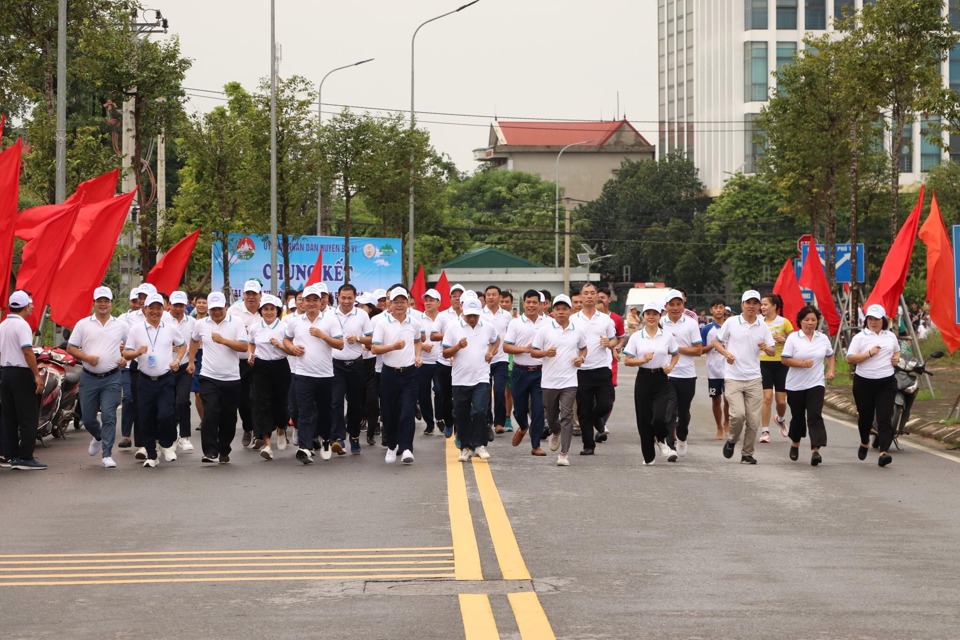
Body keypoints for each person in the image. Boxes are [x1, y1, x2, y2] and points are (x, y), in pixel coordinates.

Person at [123, 292, 187, 468]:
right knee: (145, 418)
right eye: (152, 308)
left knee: (166, 414)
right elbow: (126, 353)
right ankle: (152, 454)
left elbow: (183, 345)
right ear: (145, 309)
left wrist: (177, 360)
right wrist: (137, 353)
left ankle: (166, 444)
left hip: (165, 379)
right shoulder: (136, 329)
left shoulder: (169, 327)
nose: (155, 311)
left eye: (159, 308)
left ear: (163, 309)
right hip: (144, 380)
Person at [712, 290, 776, 465]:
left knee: (754, 420)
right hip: (733, 378)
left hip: (754, 378)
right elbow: (716, 342)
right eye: (748, 303)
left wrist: (765, 347)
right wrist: (727, 354)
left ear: (758, 307)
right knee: (738, 415)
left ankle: (747, 453)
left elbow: (772, 351)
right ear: (742, 305)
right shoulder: (732, 322)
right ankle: (732, 440)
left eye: (755, 303)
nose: (752, 306)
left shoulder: (762, 325)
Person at [67, 286, 127, 469]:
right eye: (99, 301)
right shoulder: (83, 324)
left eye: (106, 301)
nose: (103, 304)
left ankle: (107, 454)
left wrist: (125, 358)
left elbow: (131, 346)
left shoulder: (121, 325)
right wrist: (86, 358)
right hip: (89, 377)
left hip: (112, 377)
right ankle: (99, 436)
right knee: (87, 417)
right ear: (93, 303)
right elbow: (71, 347)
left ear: (111, 303)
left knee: (109, 415)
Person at [283, 283, 344, 465]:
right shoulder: (295, 321)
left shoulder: (330, 320)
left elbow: (340, 344)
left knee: (325, 412)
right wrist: (292, 348)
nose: (310, 303)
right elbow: (286, 340)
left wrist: (322, 335)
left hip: (325, 375)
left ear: (320, 302)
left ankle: (325, 440)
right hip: (303, 374)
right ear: (302, 302)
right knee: (305, 412)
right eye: (306, 300)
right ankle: (305, 447)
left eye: (314, 300)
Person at [188, 292, 247, 464]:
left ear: (226, 307)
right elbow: (193, 340)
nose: (216, 312)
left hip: (231, 378)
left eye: (219, 309)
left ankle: (224, 449)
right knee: (211, 413)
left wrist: (223, 341)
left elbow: (243, 346)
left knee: (228, 417)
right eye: (213, 309)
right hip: (209, 376)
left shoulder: (236, 322)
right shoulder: (201, 324)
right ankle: (209, 450)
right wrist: (191, 361)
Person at [531, 294, 587, 466]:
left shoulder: (577, 330)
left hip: (569, 381)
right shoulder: (544, 330)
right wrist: (545, 353)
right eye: (557, 309)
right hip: (549, 381)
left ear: (570, 311)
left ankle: (564, 454)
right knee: (552, 415)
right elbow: (534, 351)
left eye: (564, 309)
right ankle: (555, 432)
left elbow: (583, 349)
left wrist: (581, 359)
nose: (561, 312)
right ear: (552, 310)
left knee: (567, 415)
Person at [443, 297, 500, 462]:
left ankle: (480, 444)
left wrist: (491, 352)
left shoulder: (488, 327)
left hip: (481, 377)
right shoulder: (453, 328)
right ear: (462, 312)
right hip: (460, 379)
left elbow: (496, 340)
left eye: (475, 315)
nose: (472, 319)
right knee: (462, 415)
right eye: (469, 315)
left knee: (480, 411)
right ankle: (466, 447)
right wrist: (458, 347)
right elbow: (446, 352)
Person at [623, 301, 680, 465]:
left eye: (654, 314)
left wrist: (670, 367)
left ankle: (661, 440)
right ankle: (648, 456)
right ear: (643, 316)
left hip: (661, 379)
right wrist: (643, 359)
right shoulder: (636, 337)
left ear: (660, 315)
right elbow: (627, 361)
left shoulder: (666, 335)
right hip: (643, 378)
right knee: (644, 419)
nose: (651, 317)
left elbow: (675, 354)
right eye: (648, 314)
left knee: (659, 416)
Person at [845, 304, 901, 467]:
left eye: (876, 319)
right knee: (866, 417)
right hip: (864, 382)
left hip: (886, 381)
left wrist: (896, 358)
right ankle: (864, 441)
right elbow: (850, 358)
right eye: (870, 319)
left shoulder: (890, 336)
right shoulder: (860, 337)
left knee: (884, 417)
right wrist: (869, 353)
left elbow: (897, 351)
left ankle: (884, 452)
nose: (873, 322)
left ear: (883, 320)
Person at [372, 288, 422, 464]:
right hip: (389, 374)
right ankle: (392, 447)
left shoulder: (414, 323)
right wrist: (392, 347)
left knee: (407, 411)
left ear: (408, 303)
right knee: (389, 412)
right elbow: (374, 348)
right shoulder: (382, 324)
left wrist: (417, 355)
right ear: (390, 304)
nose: (399, 305)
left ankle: (407, 448)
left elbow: (418, 340)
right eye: (396, 302)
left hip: (409, 374)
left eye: (403, 301)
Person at [781, 305, 835, 466]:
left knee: (814, 415)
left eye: (813, 320)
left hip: (816, 383)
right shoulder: (793, 338)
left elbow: (830, 355)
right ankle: (795, 443)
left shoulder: (822, 338)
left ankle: (815, 451)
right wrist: (801, 363)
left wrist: (831, 370)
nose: (810, 323)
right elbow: (784, 359)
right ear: (800, 321)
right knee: (798, 418)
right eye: (807, 320)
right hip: (795, 385)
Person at [0, 291, 45, 469]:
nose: (33, 306)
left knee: (10, 416)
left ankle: (12, 456)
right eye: (31, 304)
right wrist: (36, 375)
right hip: (20, 373)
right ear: (25, 306)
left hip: (5, 373)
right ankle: (26, 457)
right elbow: (27, 351)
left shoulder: (3, 324)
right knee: (28, 417)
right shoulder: (22, 326)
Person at [572, 282, 618, 455]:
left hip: (601, 368)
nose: (589, 296)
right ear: (581, 296)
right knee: (583, 408)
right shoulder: (574, 320)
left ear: (597, 296)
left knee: (606, 403)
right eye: (586, 293)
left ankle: (595, 419)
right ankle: (588, 445)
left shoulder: (605, 319)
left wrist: (609, 343)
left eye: (592, 293)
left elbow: (613, 340)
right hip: (581, 370)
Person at [247, 294, 292, 460]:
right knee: (261, 403)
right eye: (265, 309)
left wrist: (279, 345)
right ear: (261, 311)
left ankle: (281, 427)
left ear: (277, 311)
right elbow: (251, 343)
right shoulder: (254, 327)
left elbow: (290, 349)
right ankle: (267, 444)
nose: (269, 312)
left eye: (272, 309)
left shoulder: (284, 327)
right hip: (261, 368)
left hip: (280, 366)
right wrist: (251, 354)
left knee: (281, 403)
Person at [504, 289, 548, 455]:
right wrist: (525, 349)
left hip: (540, 372)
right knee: (519, 410)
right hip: (520, 372)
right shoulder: (516, 323)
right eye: (528, 302)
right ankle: (523, 427)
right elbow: (506, 346)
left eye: (534, 302)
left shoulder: (548, 323)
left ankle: (535, 445)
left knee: (538, 410)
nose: (531, 305)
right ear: (523, 304)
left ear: (540, 304)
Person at [330, 284, 373, 454]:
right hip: (335, 365)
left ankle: (354, 436)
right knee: (336, 401)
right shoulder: (329, 314)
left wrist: (358, 339)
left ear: (355, 298)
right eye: (343, 297)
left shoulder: (362, 315)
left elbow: (370, 339)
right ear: (338, 297)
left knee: (356, 403)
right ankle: (339, 438)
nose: (346, 301)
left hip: (356, 365)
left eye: (350, 298)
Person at [662, 289, 703, 456]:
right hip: (667, 373)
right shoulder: (660, 323)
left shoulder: (691, 323)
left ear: (683, 305)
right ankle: (670, 446)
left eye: (678, 304)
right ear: (666, 306)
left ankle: (682, 435)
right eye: (671, 304)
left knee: (684, 412)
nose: (675, 308)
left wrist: (677, 349)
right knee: (669, 409)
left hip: (686, 374)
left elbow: (698, 350)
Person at [229, 279, 262, 448]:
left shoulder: (266, 311)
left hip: (260, 362)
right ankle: (248, 428)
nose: (251, 297)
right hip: (239, 362)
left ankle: (259, 432)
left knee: (257, 398)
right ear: (243, 295)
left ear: (260, 296)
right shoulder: (234, 311)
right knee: (243, 399)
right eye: (248, 294)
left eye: (254, 294)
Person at [431, 283, 465, 439]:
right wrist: (449, 336)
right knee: (444, 394)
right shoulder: (443, 316)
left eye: (460, 296)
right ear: (449, 298)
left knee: (460, 396)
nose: (457, 299)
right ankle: (449, 421)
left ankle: (460, 426)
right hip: (444, 363)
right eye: (454, 296)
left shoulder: (471, 316)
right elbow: (433, 335)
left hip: (463, 363)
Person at [759, 293, 793, 443]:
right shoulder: (759, 322)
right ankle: (765, 431)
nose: (762, 307)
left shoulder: (784, 322)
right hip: (763, 362)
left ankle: (780, 418)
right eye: (762, 304)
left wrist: (784, 339)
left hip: (781, 364)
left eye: (765, 304)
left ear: (774, 306)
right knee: (767, 397)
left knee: (781, 401)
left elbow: (795, 342)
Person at [168, 291, 197, 453]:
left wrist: (191, 360)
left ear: (186, 305)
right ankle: (172, 435)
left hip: (185, 367)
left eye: (181, 305)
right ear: (169, 305)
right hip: (167, 368)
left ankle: (184, 436)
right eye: (175, 305)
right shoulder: (164, 320)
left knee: (183, 401)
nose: (178, 308)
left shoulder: (192, 322)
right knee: (170, 403)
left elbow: (196, 341)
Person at [482, 285, 511, 435]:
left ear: (500, 297)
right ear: (485, 297)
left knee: (500, 390)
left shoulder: (506, 316)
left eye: (494, 294)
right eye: (488, 294)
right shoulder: (480, 315)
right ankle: (488, 421)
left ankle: (500, 422)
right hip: (484, 359)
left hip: (501, 358)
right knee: (485, 391)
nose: (491, 297)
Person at [700, 298, 730, 439]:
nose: (718, 310)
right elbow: (700, 350)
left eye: (720, 307)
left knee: (728, 398)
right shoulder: (707, 329)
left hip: (730, 369)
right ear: (711, 310)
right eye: (715, 307)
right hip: (713, 370)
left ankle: (727, 423)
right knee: (716, 399)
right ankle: (718, 426)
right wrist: (713, 345)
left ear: (724, 309)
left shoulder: (730, 326)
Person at [117, 286, 141, 449]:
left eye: (140, 300)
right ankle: (126, 435)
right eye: (134, 300)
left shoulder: (154, 316)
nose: (138, 303)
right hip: (127, 365)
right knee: (129, 398)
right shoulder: (122, 320)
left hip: (146, 365)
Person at [418, 289, 443, 436]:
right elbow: (412, 340)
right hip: (423, 362)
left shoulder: (445, 318)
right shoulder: (418, 319)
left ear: (438, 302)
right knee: (423, 394)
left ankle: (440, 417)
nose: (428, 303)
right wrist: (422, 346)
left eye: (431, 300)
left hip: (440, 361)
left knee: (440, 391)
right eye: (426, 300)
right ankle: (429, 423)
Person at [190, 292, 208, 423]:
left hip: (208, 356)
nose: (201, 305)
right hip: (195, 356)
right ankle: (204, 420)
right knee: (197, 392)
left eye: (204, 303)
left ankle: (210, 419)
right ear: (194, 304)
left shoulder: (213, 320)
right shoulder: (190, 321)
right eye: (199, 302)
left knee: (209, 392)